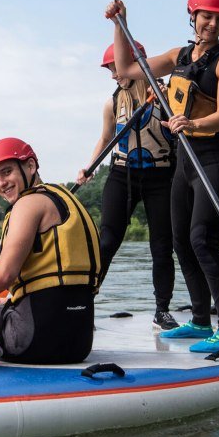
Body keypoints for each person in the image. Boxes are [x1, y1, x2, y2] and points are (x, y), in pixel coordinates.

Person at [105, 0, 219, 353]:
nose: (211, 24)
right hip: (185, 161)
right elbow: (125, 67)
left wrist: (193, 125)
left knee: (203, 241)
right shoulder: (179, 56)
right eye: (206, 16)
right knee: (181, 241)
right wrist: (121, 24)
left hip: (216, 159)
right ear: (193, 15)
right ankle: (201, 321)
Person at [0, 138, 102, 364]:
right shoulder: (67, 200)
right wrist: (11, 300)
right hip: (80, 345)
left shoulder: (28, 203)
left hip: (33, 343)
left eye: (7, 172)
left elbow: (6, 273)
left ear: (31, 166)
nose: (1, 183)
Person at [76, 43, 178, 331]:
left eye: (115, 68)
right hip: (122, 175)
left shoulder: (164, 95)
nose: (112, 75)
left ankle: (162, 310)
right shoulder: (112, 102)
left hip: (160, 177)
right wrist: (90, 166)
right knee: (106, 243)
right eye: (110, 69)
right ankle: (85, 304)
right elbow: (106, 137)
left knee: (161, 246)